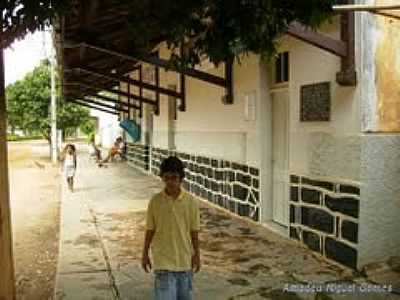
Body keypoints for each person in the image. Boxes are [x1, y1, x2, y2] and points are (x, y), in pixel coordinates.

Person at [142, 156, 200, 300]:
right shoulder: (155, 202)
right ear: (162, 178)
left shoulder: (191, 202)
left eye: (174, 177)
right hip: (163, 263)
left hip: (184, 262)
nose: (170, 182)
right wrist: (144, 253)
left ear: (181, 178)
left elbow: (194, 231)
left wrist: (197, 254)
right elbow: (150, 229)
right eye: (166, 178)